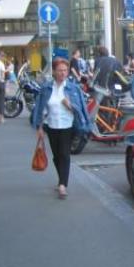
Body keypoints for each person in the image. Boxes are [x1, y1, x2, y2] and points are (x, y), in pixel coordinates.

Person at [32, 57, 90, 199]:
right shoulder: (46, 88)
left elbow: (81, 109)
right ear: (54, 72)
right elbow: (41, 109)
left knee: (64, 155)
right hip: (51, 126)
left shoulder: (73, 88)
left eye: (65, 70)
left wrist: (69, 105)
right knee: (56, 156)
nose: (63, 73)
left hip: (67, 126)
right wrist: (39, 128)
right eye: (60, 70)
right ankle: (61, 180)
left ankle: (63, 185)